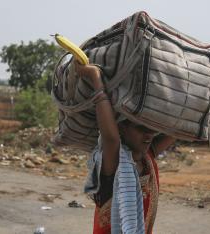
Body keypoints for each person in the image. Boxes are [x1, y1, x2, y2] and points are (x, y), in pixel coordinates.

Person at [75, 61, 176, 234]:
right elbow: (111, 139)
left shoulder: (147, 157)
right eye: (141, 128)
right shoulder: (114, 163)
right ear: (122, 127)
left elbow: (178, 129)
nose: (149, 135)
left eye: (151, 130)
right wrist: (95, 77)